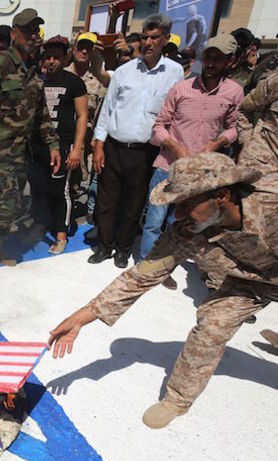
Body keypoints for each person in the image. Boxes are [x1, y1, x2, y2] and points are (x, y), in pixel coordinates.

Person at [48, 153, 278, 429]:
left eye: (188, 204)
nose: (178, 215)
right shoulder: (186, 231)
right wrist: (82, 317)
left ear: (222, 195)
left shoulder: (271, 207)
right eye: (176, 205)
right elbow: (141, 276)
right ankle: (178, 399)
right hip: (249, 282)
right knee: (211, 326)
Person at [140, 35, 243, 289]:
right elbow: (159, 126)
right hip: (168, 166)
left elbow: (235, 128)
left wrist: (217, 144)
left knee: (182, 221)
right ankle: (145, 265)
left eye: (217, 57)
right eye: (208, 56)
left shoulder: (234, 92)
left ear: (228, 61)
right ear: (200, 58)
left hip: (201, 174)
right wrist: (175, 146)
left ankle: (166, 266)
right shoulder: (182, 88)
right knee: (155, 219)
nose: (211, 62)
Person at [0, 8, 60, 267]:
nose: (33, 35)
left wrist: (53, 144)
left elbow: (41, 113)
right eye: (28, 30)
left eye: (35, 30)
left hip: (22, 151)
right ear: (14, 33)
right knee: (9, 205)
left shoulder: (33, 69)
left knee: (13, 205)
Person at [89, 14, 183, 268]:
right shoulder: (124, 72)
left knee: (133, 204)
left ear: (165, 40)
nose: (148, 42)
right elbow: (107, 110)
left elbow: (176, 113)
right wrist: (99, 145)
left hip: (145, 152)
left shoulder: (175, 74)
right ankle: (104, 247)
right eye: (145, 37)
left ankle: (122, 249)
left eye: (154, 37)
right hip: (114, 148)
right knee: (106, 202)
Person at [38, 36, 88, 255]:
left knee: (61, 191)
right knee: (42, 190)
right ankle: (44, 224)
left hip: (64, 145)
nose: (51, 61)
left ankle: (61, 235)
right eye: (48, 57)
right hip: (39, 147)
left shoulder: (74, 82)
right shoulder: (36, 81)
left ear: (64, 57)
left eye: (56, 57)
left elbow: (82, 116)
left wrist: (77, 149)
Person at [65, 32, 107, 226]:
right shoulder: (63, 74)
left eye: (88, 48)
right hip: (64, 134)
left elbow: (101, 111)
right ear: (74, 49)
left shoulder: (97, 80)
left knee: (83, 176)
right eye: (80, 46)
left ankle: (75, 210)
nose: (83, 51)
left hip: (86, 136)